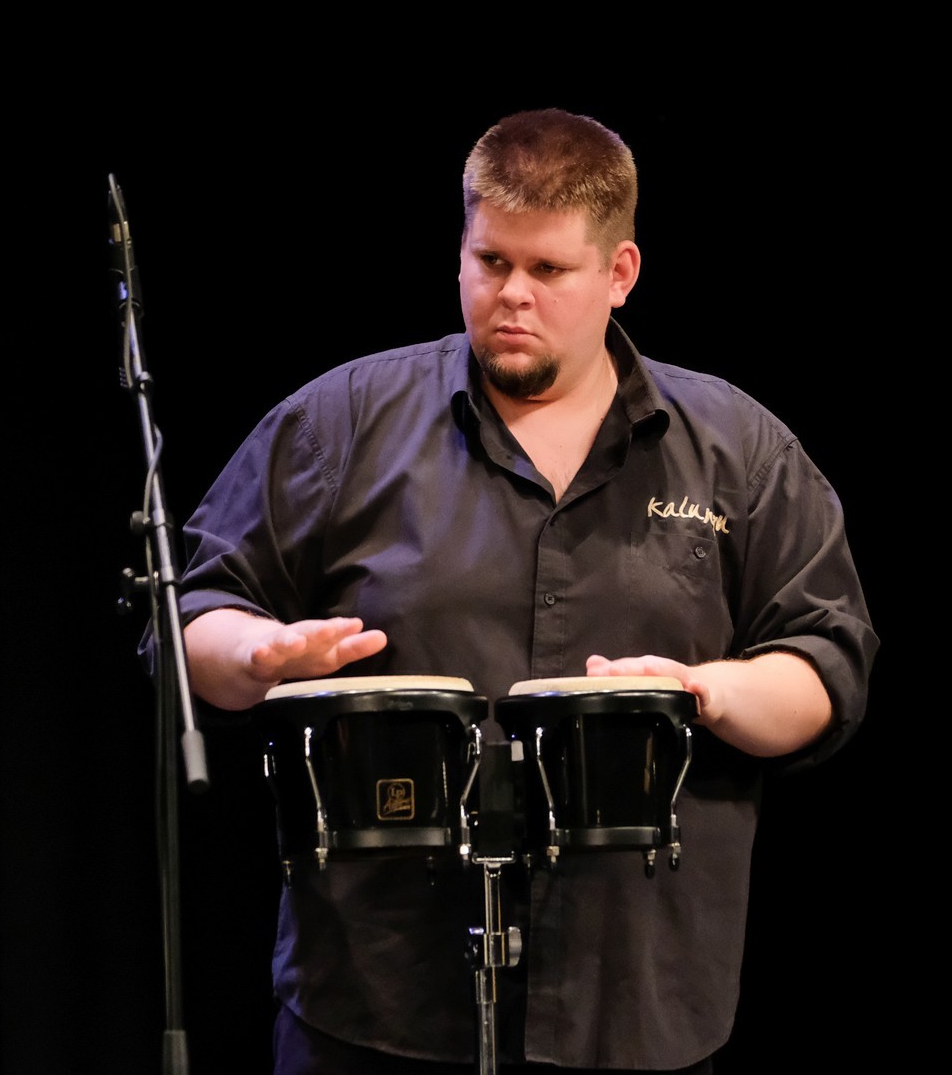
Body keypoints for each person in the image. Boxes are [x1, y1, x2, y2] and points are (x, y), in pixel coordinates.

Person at [163, 108, 877, 1074]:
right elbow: (192, 618)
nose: (512, 295)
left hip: (634, 1002)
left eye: (548, 270)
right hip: (377, 1000)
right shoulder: (339, 426)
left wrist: (704, 690)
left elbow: (827, 665)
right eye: (490, 261)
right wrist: (258, 654)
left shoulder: (739, 450)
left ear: (620, 273)